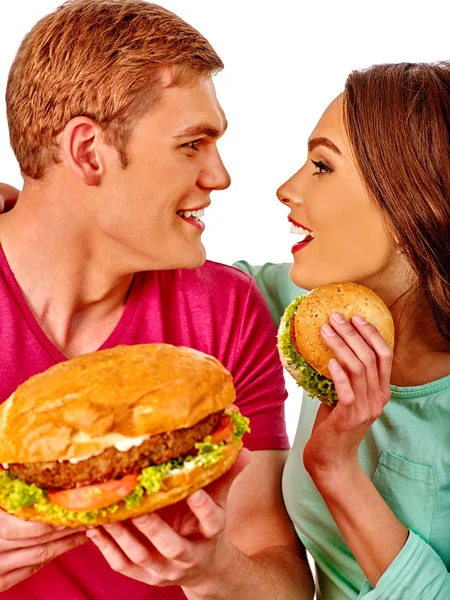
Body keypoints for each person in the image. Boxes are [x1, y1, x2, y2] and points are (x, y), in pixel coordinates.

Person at [0, 1, 314, 599]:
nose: (219, 176)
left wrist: (215, 569)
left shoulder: (224, 309)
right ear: (88, 151)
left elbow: (285, 584)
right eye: (192, 143)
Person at [237, 61, 450, 598]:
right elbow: (191, 287)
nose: (286, 189)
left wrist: (336, 470)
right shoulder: (319, 315)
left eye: (321, 167)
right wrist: (38, 213)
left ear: (412, 204)